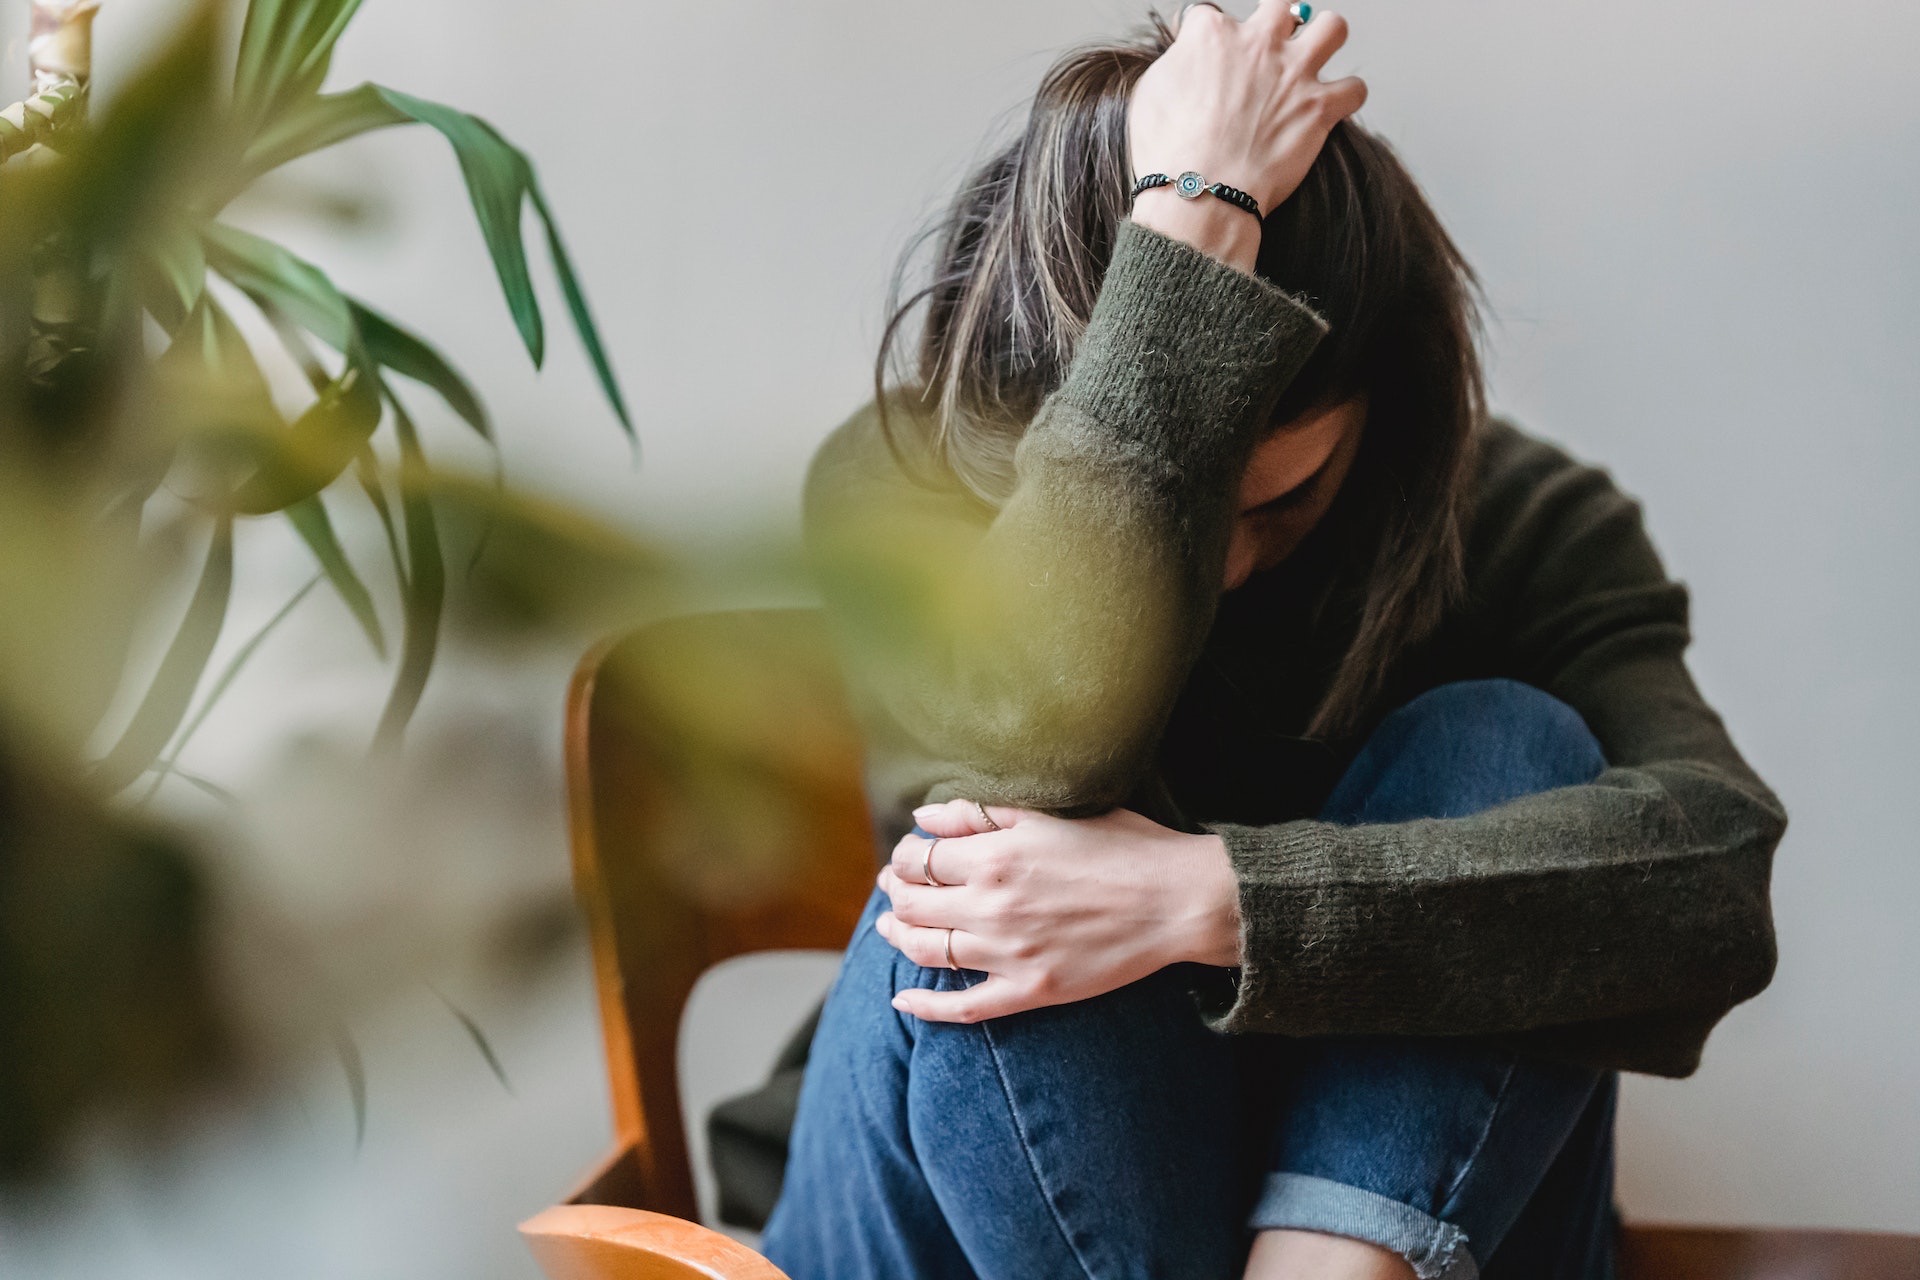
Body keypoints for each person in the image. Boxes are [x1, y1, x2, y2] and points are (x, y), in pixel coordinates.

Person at [712, 5, 1785, 1278]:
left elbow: (1710, 879)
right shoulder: (901, 481)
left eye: (1278, 502)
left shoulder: (1507, 516)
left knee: (1508, 738)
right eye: (1181, 497)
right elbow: (1028, 763)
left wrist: (1209, 900)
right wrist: (1194, 223)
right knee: (995, 875)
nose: (1220, 562)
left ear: (1385, 416)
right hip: (944, 1215)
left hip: (1362, 1234)